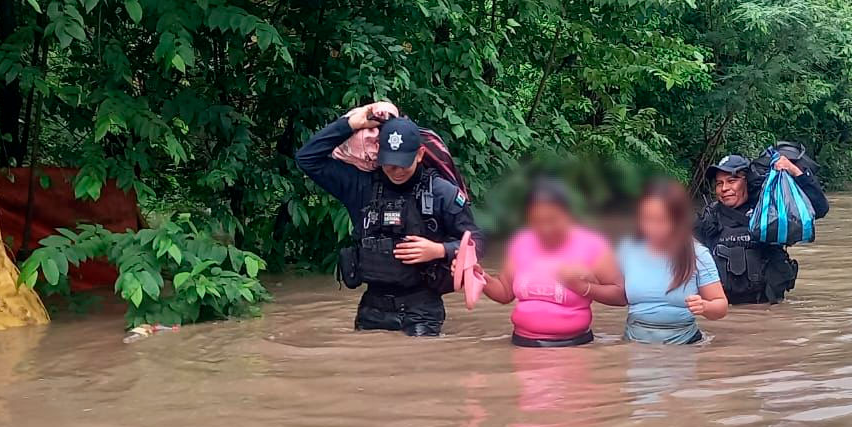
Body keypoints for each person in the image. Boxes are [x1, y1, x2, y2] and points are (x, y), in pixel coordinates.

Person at [295, 102, 482, 336]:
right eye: (389, 163)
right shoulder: (360, 187)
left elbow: (477, 240)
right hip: (372, 308)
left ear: (420, 154)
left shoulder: (441, 192)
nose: (396, 171)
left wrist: (439, 250)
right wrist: (353, 123)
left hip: (421, 309)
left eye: (403, 163)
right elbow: (307, 158)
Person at [570, 180, 727, 344]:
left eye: (661, 220)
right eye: (647, 219)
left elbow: (721, 306)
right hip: (634, 342)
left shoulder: (698, 254)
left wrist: (705, 307)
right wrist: (586, 280)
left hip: (685, 344)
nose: (653, 227)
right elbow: (612, 290)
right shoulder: (628, 250)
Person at [476, 179, 617, 347]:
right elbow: (505, 292)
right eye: (537, 221)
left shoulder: (591, 245)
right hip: (522, 347)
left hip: (575, 349)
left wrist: (585, 288)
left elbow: (620, 295)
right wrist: (478, 276)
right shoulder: (521, 243)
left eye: (552, 220)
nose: (545, 228)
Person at [695, 153, 810, 304]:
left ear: (747, 181)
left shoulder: (770, 213)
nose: (724, 188)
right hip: (724, 312)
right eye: (719, 183)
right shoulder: (709, 218)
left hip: (768, 312)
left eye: (732, 181)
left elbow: (819, 209)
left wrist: (794, 171)